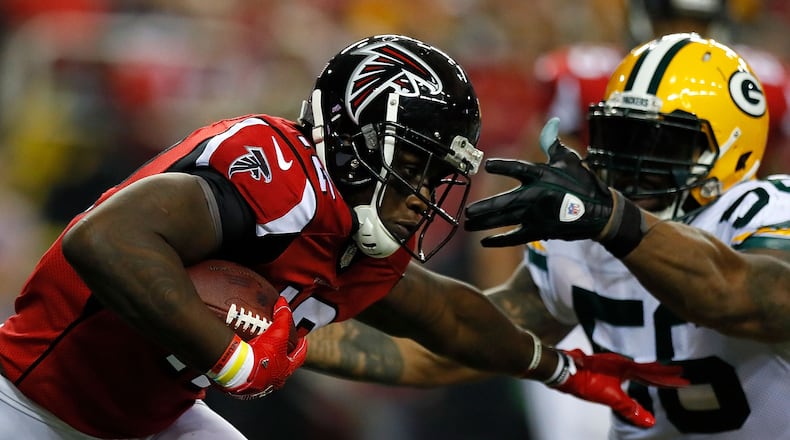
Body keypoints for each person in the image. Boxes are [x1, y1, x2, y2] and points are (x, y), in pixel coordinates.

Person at [0, 34, 685, 439]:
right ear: (355, 142)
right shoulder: (278, 175)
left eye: (438, 174)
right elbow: (105, 240)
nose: (424, 194)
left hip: (149, 419)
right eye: (415, 163)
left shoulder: (357, 232)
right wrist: (234, 362)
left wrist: (558, 366)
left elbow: (443, 313)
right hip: (35, 401)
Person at [305, 33, 790, 439]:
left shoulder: (761, 210)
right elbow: (450, 347)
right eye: (622, 138)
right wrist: (285, 322)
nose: (632, 162)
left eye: (662, 143)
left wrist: (611, 219)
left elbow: (744, 298)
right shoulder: (588, 240)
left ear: (735, 150)